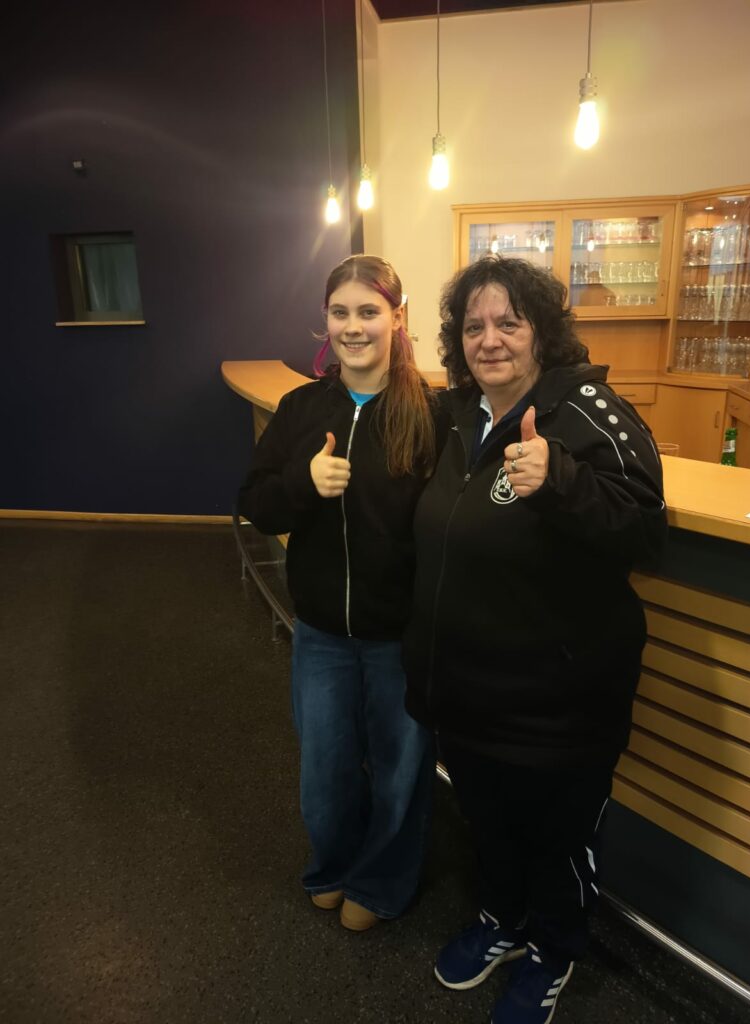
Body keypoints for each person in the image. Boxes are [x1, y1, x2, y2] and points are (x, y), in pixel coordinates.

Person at [402, 256, 667, 1023]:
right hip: (466, 695)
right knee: (488, 825)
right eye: (474, 326)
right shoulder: (458, 414)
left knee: (556, 841)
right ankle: (504, 920)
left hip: (559, 707)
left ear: (541, 332)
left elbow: (644, 533)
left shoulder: (589, 413)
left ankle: (554, 949)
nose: (489, 340)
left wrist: (560, 483)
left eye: (508, 323)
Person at [238, 255, 446, 932]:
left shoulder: (431, 414)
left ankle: (381, 881)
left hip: (399, 636)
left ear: (397, 318)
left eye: (368, 312)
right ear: (325, 321)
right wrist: (304, 484)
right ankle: (332, 865)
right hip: (322, 632)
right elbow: (256, 505)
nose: (353, 327)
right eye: (340, 313)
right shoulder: (302, 408)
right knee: (324, 769)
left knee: (399, 770)